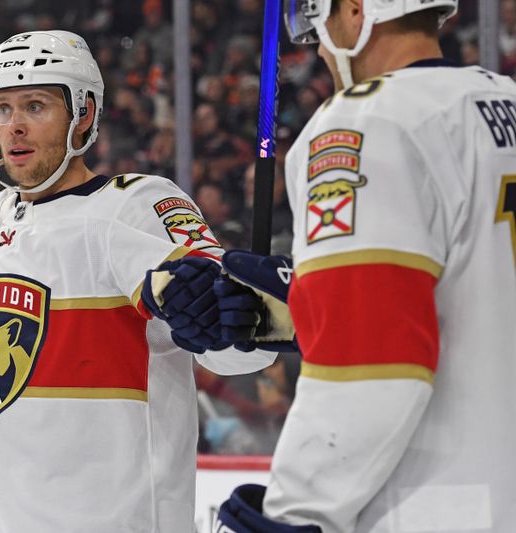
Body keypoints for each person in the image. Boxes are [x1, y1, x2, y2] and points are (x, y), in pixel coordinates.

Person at [0, 30, 276, 533]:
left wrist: (226, 316)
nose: (12, 127)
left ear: (83, 114)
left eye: (35, 106)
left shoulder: (140, 205)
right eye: (2, 109)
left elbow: (245, 349)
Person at [204, 0, 516, 531]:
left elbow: (372, 356)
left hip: (431, 502)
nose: (321, 46)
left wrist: (297, 511)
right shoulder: (503, 101)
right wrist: (303, 305)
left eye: (318, 21)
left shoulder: (365, 122)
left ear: (354, 11)